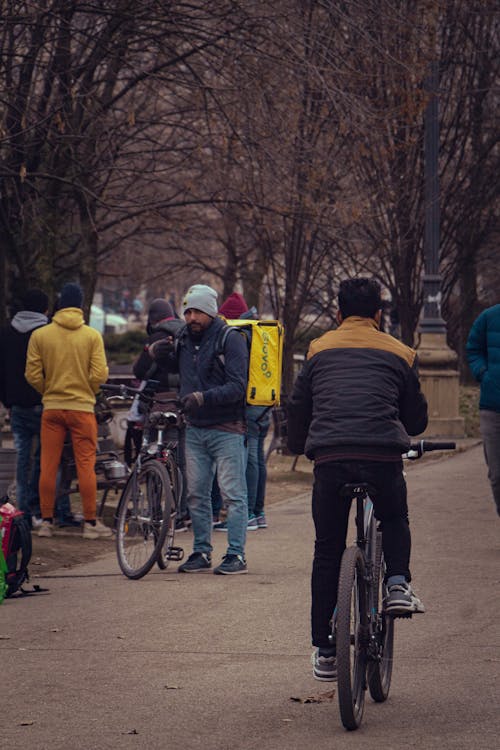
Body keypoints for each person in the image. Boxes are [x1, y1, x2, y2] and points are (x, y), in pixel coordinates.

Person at [287, 277, 428, 681]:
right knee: (394, 517)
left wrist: (300, 445)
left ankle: (325, 649)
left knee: (327, 550)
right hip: (380, 455)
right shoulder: (401, 352)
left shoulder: (318, 349)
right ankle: (397, 583)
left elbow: (299, 407)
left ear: (338, 313)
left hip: (330, 457)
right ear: (379, 315)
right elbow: (415, 418)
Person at [150, 283, 249, 574]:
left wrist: (202, 398)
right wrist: (159, 354)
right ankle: (201, 552)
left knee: (233, 495)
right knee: (196, 494)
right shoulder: (183, 337)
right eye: (188, 311)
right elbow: (172, 371)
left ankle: (236, 554)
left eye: (198, 312)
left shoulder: (230, 339)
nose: (192, 317)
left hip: (227, 428)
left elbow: (238, 386)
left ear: (211, 312)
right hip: (194, 428)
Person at [25, 282, 111, 540]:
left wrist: (48, 389)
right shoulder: (91, 336)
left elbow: (31, 374)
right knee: (85, 465)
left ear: (59, 304)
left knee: (48, 465)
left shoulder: (41, 335)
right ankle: (91, 523)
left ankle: (46, 522)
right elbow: (99, 375)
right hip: (82, 408)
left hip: (52, 407)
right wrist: (88, 389)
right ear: (81, 305)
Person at [129, 298, 187, 530]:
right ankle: (183, 513)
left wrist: (150, 352)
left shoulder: (155, 338)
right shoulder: (186, 335)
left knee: (153, 458)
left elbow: (140, 372)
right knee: (182, 463)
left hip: (157, 407)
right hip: (184, 407)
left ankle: (154, 513)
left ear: (152, 319)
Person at [217, 292, 270, 531]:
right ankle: (258, 512)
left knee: (248, 460)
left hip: (248, 405)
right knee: (258, 459)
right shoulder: (260, 334)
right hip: (264, 402)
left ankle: (247, 513)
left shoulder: (239, 336)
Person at [466, 303, 500, 517]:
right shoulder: (488, 317)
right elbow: (473, 349)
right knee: (497, 474)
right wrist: (483, 374)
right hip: (492, 407)